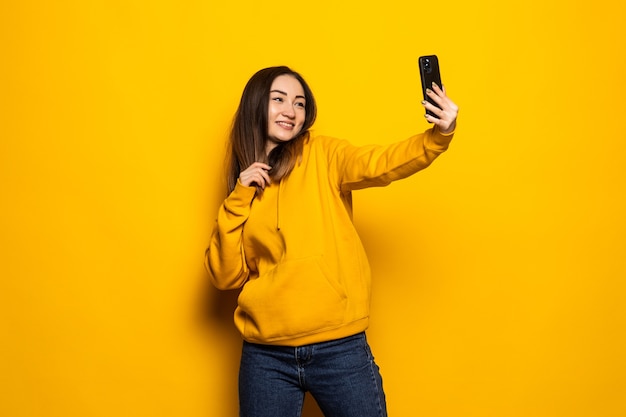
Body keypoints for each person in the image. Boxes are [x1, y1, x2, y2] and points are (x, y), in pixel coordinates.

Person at [205, 65, 458, 417]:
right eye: (278, 100)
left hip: (339, 348)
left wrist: (437, 137)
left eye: (299, 103)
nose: (290, 111)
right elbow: (224, 276)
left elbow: (380, 164)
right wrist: (238, 198)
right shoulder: (244, 190)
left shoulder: (324, 155)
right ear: (256, 105)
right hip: (265, 356)